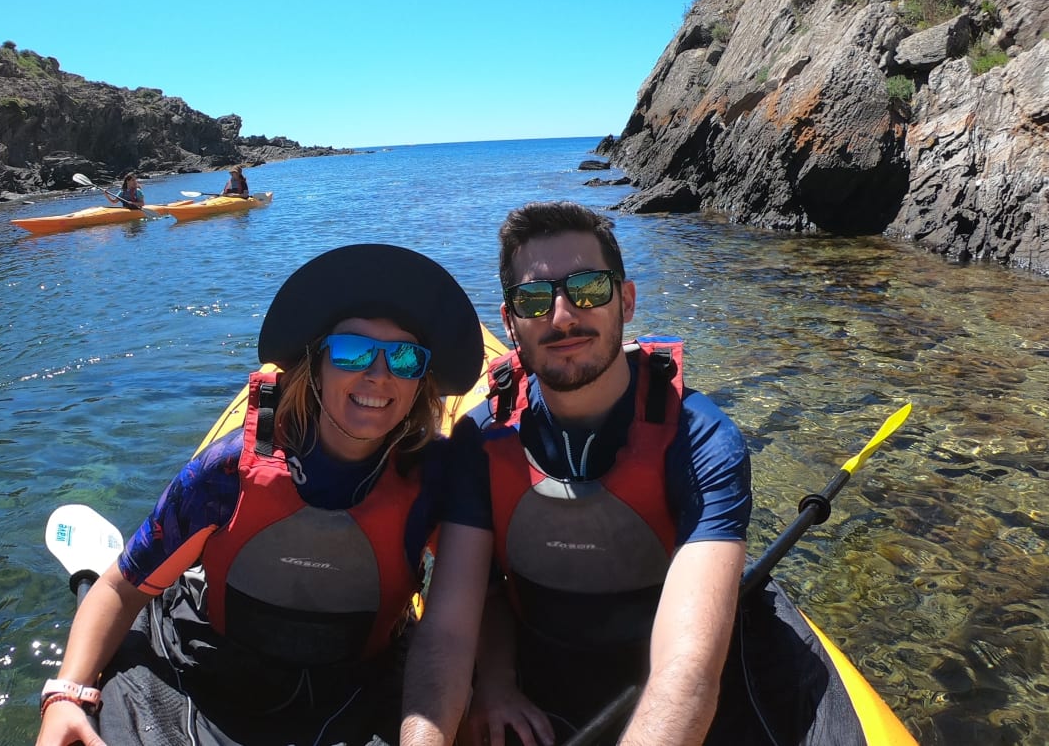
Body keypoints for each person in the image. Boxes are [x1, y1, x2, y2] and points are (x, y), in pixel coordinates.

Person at [37, 243, 484, 746]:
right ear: (315, 365)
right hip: (209, 679)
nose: (378, 374)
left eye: (404, 357)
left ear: (421, 381)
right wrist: (65, 695)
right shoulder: (226, 471)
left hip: (353, 694)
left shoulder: (436, 481)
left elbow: (463, 615)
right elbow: (123, 588)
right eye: (353, 351)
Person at [401, 201, 754, 746]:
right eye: (535, 299)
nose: (563, 316)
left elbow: (687, 669)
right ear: (510, 321)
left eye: (588, 289)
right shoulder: (481, 442)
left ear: (627, 300)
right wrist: (493, 686)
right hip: (541, 667)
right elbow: (448, 629)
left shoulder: (700, 438)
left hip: (664, 676)